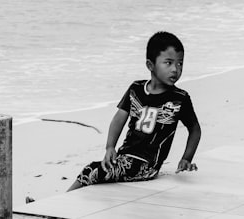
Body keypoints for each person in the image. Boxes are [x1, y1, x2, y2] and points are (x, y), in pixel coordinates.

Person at [68, 31, 201, 190]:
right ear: (150, 65)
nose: (175, 69)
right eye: (169, 63)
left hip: (147, 166)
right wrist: (110, 146)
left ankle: (59, 204)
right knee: (97, 177)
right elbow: (119, 119)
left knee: (92, 170)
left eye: (180, 63)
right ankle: (62, 202)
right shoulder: (136, 89)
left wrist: (187, 158)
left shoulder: (179, 99)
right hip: (124, 157)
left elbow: (195, 129)